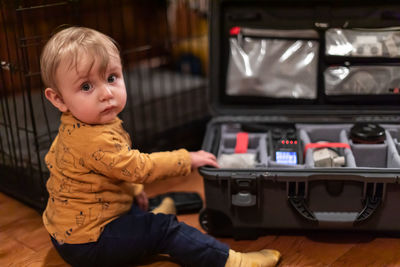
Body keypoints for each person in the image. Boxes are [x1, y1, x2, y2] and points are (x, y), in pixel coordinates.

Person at [40, 26, 281, 267]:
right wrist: (187, 158)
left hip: (67, 234)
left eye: (111, 78)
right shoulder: (93, 139)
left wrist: (134, 190)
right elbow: (139, 167)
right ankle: (234, 263)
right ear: (58, 99)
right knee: (165, 229)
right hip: (90, 243)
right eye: (86, 87)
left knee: (139, 209)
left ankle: (145, 215)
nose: (106, 93)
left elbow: (111, 169)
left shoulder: (74, 126)